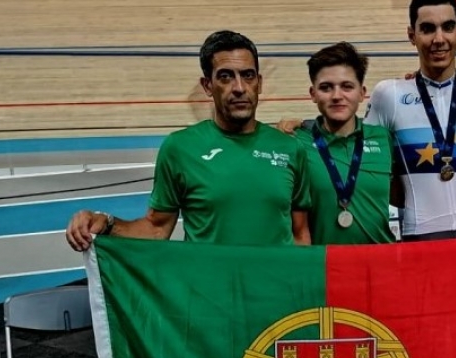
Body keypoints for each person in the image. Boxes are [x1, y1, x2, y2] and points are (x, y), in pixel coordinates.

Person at [65, 30, 311, 250]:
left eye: (247, 76)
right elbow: (156, 228)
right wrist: (106, 223)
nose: (239, 87)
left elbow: (300, 235)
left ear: (259, 84)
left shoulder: (290, 149)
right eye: (225, 76)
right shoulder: (180, 148)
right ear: (207, 85)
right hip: (210, 295)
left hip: (273, 295)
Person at [364, 0, 456, 241]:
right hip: (418, 237)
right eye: (427, 29)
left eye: (448, 27)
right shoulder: (389, 94)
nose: (439, 39)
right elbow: (367, 173)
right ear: (411, 35)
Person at [294, 42, 396, 245]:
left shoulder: (384, 139)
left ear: (362, 93)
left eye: (347, 86)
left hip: (381, 266)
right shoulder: (296, 143)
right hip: (326, 268)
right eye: (326, 87)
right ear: (313, 94)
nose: (337, 96)